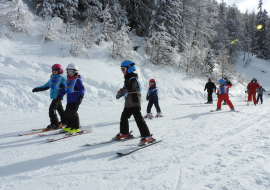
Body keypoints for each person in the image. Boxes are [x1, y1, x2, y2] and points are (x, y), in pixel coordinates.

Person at [115, 60, 155, 146]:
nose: (122, 72)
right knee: (123, 117)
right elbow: (126, 88)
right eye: (121, 70)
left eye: (123, 69)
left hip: (135, 102)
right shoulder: (127, 78)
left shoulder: (133, 78)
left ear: (129, 69)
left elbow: (131, 88)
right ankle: (124, 132)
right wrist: (121, 91)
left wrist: (123, 91)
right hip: (129, 103)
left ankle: (147, 136)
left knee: (139, 120)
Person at [32, 64, 66, 130]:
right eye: (53, 69)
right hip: (54, 97)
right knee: (60, 109)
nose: (54, 71)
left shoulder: (62, 78)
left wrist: (61, 93)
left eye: (56, 69)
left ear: (60, 70)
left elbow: (68, 86)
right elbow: (46, 86)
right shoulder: (52, 78)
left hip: (58, 97)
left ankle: (55, 124)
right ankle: (65, 121)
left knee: (52, 109)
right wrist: (37, 89)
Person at [57, 63, 85, 134]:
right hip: (69, 101)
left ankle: (76, 128)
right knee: (67, 113)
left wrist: (81, 96)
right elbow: (64, 89)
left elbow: (82, 88)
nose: (70, 73)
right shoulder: (67, 80)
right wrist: (59, 95)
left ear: (76, 72)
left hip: (76, 100)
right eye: (69, 71)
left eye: (72, 72)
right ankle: (69, 126)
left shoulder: (77, 80)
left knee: (73, 113)